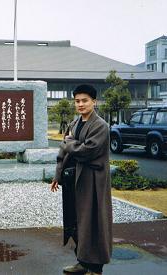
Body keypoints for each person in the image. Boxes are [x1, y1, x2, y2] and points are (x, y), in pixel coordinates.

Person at [50, 84, 113, 275]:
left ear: (94, 101)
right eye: (77, 101)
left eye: (85, 100)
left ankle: (96, 267)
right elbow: (63, 153)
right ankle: (82, 261)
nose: (80, 104)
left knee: (93, 222)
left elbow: (87, 151)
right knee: (76, 221)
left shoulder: (100, 126)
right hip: (73, 179)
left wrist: (69, 142)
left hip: (92, 181)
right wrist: (57, 175)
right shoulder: (74, 123)